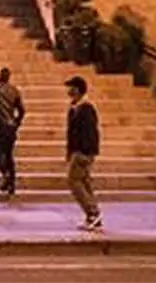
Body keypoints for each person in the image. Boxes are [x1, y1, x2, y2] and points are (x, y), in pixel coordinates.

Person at [65, 76, 102, 231]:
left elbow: (90, 132)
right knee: (85, 182)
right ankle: (93, 216)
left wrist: (85, 152)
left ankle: (92, 212)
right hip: (78, 151)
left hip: (82, 152)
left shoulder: (85, 108)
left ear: (78, 90)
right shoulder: (76, 108)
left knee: (74, 181)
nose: (68, 90)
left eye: (71, 87)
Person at [0, 66, 26, 198]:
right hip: (11, 127)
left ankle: (6, 175)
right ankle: (11, 183)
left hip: (1, 126)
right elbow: (21, 110)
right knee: (9, 154)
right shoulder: (14, 90)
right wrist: (16, 122)